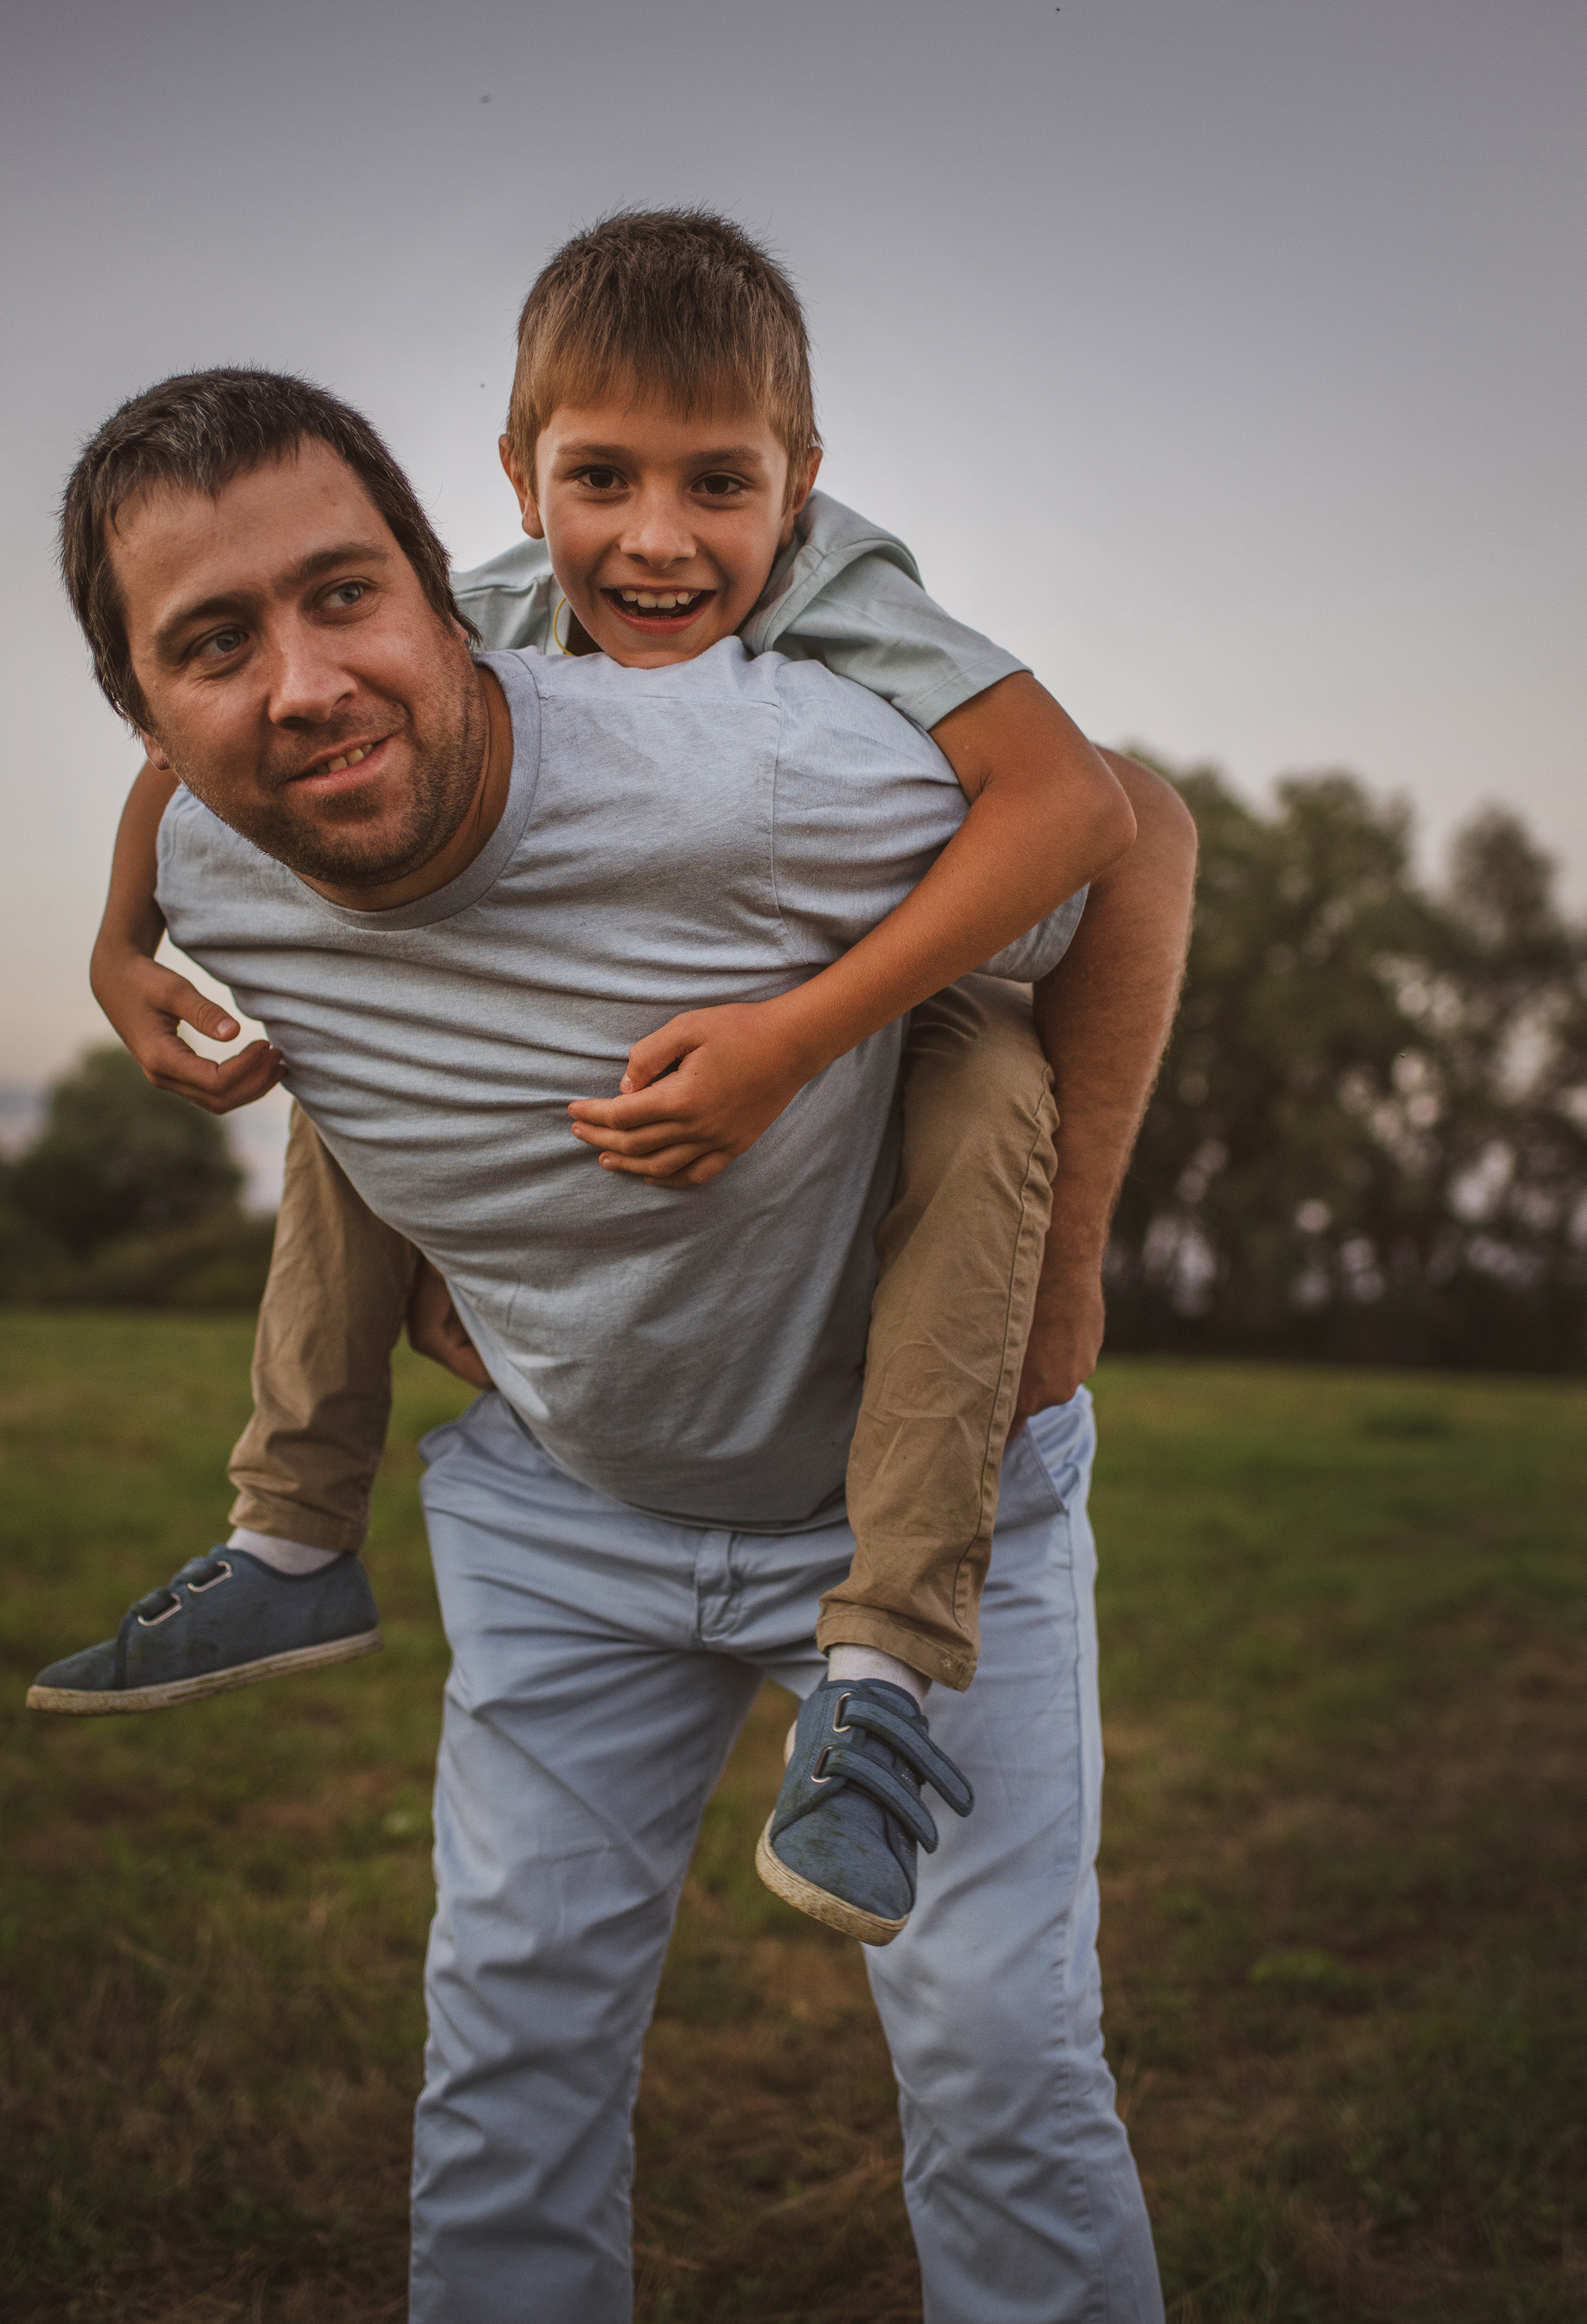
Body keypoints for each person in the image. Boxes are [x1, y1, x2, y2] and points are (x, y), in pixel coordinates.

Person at [39, 242, 1193, 2324]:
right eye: (599, 484)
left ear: (802, 483)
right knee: (507, 2070)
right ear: (509, 484)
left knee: (1008, 2070)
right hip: (574, 1498)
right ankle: (289, 1522)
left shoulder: (817, 685)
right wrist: (121, 938)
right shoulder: (405, 669)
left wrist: (819, 1048)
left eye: (720, 488)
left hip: (893, 1407)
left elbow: (1129, 818)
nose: (656, 541)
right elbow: (177, 749)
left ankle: (889, 1664)